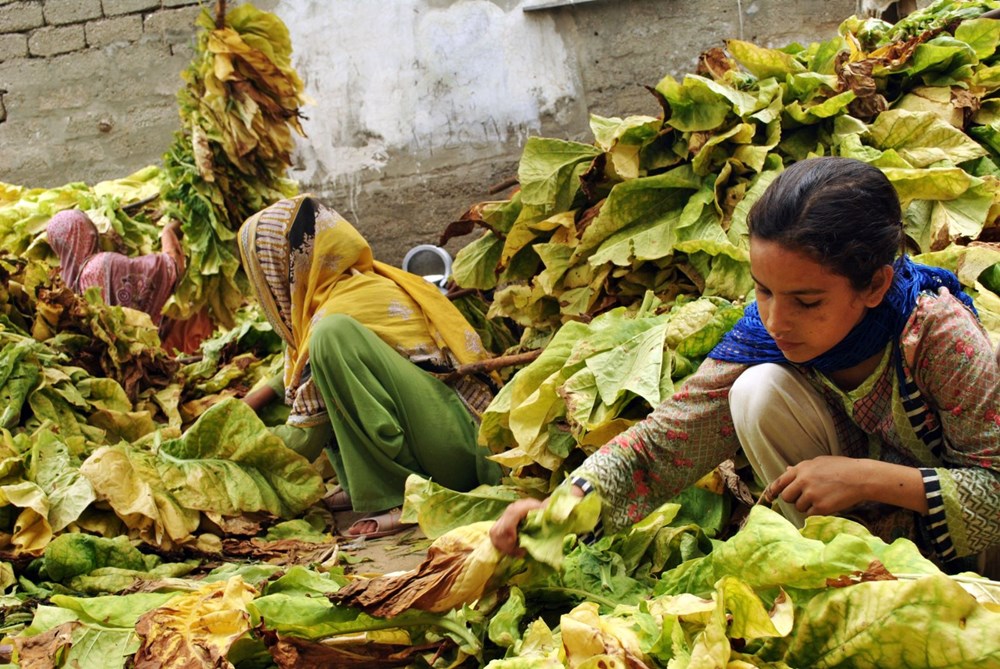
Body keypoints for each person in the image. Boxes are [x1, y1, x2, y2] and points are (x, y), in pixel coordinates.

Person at [490, 157, 1000, 574]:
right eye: (763, 290)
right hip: (878, 539)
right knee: (755, 390)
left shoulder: (936, 334)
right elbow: (662, 442)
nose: (776, 320)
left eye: (805, 300)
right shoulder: (766, 333)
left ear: (875, 285)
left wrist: (867, 478)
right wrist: (561, 511)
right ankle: (847, 572)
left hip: (979, 549)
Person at [238, 194, 503, 539]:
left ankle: (399, 494)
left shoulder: (331, 321)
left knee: (330, 341)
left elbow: (305, 441)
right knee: (329, 350)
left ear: (284, 268)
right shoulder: (355, 286)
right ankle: (374, 482)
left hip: (458, 450)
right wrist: (260, 395)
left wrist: (234, 444)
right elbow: (306, 370)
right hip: (453, 433)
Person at [45, 208, 213, 355]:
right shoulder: (101, 265)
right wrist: (168, 232)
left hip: (127, 361)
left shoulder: (66, 287)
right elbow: (171, 266)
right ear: (87, 232)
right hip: (158, 351)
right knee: (197, 307)